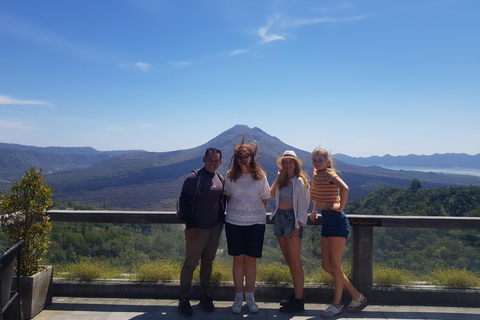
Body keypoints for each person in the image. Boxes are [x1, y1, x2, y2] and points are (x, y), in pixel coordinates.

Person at [308, 148, 368, 318]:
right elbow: (317, 194)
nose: (317, 162)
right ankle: (357, 296)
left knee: (335, 265)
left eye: (320, 159)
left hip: (336, 221)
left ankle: (336, 305)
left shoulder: (328, 173)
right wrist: (313, 210)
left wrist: (340, 207)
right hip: (327, 220)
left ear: (327, 161)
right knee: (327, 266)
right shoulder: (317, 173)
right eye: (314, 159)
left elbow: (345, 188)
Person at [224, 138, 271, 314]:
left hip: (256, 223)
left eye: (247, 155)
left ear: (252, 157)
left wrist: (254, 214)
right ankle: (238, 297)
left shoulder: (260, 177)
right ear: (235, 158)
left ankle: (250, 297)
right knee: (238, 260)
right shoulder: (230, 176)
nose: (243, 158)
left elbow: (264, 200)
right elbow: (228, 198)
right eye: (240, 156)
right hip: (234, 222)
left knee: (251, 260)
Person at [178, 148, 226, 317]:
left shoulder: (220, 179)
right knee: (190, 264)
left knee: (208, 262)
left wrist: (220, 224)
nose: (213, 163)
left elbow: (221, 203)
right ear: (204, 159)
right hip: (196, 229)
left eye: (217, 160)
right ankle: (184, 298)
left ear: (220, 162)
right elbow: (184, 203)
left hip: (214, 228)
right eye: (210, 159)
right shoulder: (194, 178)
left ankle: (205, 295)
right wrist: (190, 226)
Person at [269, 150, 310, 313]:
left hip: (292, 221)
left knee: (295, 261)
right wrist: (278, 177)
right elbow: (270, 194)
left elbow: (303, 207)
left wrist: (297, 227)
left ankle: (299, 300)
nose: (287, 165)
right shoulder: (282, 180)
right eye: (285, 162)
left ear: (296, 164)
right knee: (288, 259)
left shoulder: (300, 182)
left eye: (290, 162)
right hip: (279, 218)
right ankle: (296, 295)